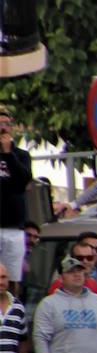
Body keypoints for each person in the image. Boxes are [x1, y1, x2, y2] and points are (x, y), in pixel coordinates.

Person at [0, 105, 33, 285]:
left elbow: (23, 181)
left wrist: (8, 154)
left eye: (6, 124)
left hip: (14, 227)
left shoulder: (21, 156)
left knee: (12, 279)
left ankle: (12, 309)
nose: (3, 128)